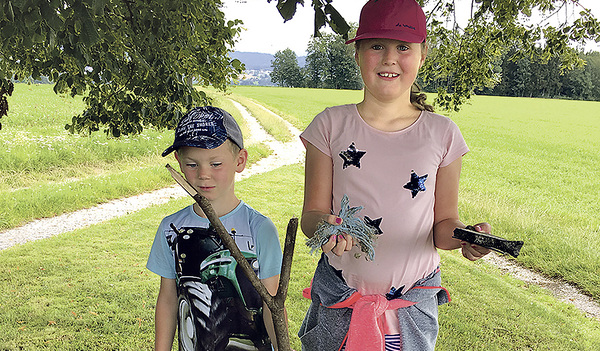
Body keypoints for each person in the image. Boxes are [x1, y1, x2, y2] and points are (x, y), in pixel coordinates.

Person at [298, 0, 492, 350]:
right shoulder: (328, 125)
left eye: (403, 47)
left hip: (410, 308)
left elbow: (443, 225)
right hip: (339, 302)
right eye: (377, 46)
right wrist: (328, 227)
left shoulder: (443, 134)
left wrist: (467, 237)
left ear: (421, 55)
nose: (389, 58)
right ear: (358, 54)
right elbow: (310, 215)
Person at [146, 106, 284, 351]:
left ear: (239, 161)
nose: (203, 175)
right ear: (178, 162)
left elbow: (272, 305)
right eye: (191, 165)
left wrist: (282, 346)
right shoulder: (171, 228)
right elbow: (168, 299)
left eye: (216, 163)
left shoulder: (260, 229)